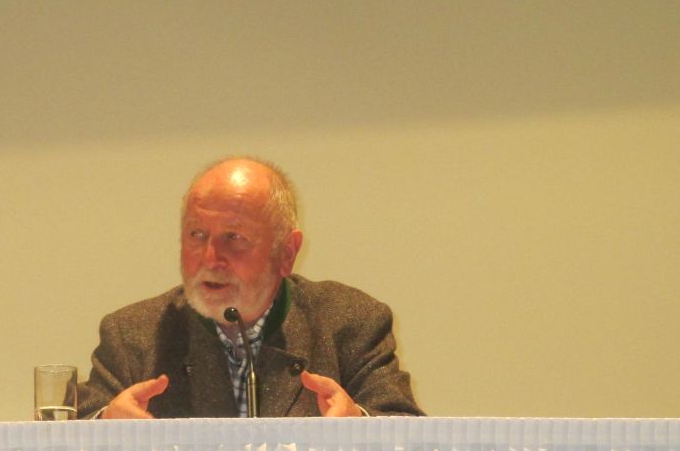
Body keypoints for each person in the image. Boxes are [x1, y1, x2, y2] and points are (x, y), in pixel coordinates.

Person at [78, 157, 422, 419]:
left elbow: (408, 435)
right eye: (197, 235)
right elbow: (73, 433)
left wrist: (360, 426)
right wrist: (104, 427)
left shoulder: (350, 323)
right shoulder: (132, 335)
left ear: (286, 253)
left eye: (234, 238)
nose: (210, 258)